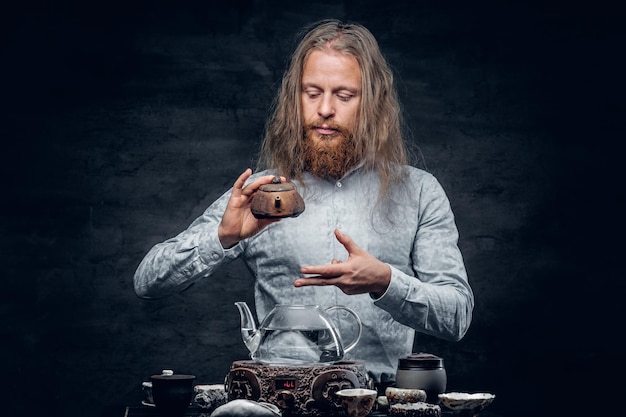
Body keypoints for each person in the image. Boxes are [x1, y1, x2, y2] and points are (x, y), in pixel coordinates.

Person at [134, 19, 474, 387]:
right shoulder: (260, 193)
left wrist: (385, 282)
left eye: (344, 96)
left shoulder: (419, 192)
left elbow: (456, 316)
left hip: (378, 403)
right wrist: (222, 237)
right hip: (280, 400)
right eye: (312, 93)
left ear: (373, 102)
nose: (325, 109)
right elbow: (148, 281)